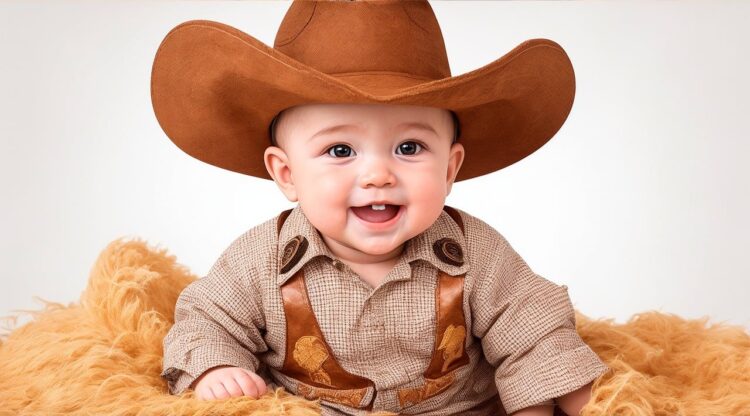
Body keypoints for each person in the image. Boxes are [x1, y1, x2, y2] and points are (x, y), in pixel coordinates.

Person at [151, 1, 609, 415]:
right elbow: (206, 320)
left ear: (449, 169)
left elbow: (530, 327)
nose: (377, 175)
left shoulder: (475, 253)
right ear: (287, 174)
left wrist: (556, 402)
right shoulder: (260, 262)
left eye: (409, 147)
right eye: (340, 151)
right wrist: (216, 369)